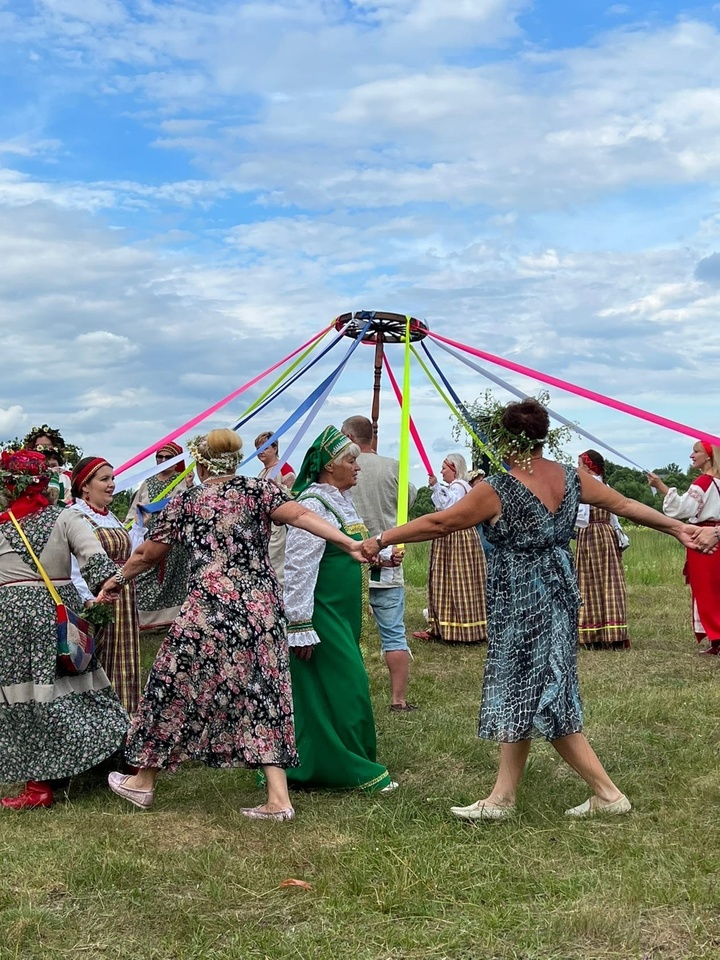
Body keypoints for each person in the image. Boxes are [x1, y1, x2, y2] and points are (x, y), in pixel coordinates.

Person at [361, 399, 699, 820]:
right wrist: (678, 527)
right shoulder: (570, 477)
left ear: (505, 438)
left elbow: (440, 523)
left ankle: (607, 793)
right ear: (541, 436)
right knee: (522, 688)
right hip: (557, 588)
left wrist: (382, 538)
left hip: (522, 595)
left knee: (540, 691)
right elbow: (626, 506)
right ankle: (502, 797)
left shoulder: (498, 488)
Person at [98, 429, 366, 821]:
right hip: (259, 608)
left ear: (201, 463)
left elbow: (147, 553)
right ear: (236, 459)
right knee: (265, 692)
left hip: (209, 608)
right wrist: (347, 542)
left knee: (173, 684)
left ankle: (143, 782)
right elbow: (303, 515)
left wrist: (118, 580)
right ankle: (279, 799)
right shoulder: (260, 491)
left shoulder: (187, 501)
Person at [0, 449, 128, 810]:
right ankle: (124, 754)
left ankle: (38, 785)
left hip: (11, 618)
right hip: (60, 613)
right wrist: (107, 587)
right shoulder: (66, 517)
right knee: (80, 686)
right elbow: (94, 557)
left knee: (25, 696)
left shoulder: (2, 523)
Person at [283, 425, 395, 792]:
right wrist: (299, 624)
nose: (357, 467)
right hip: (321, 613)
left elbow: (349, 552)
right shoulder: (313, 505)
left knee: (334, 687)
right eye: (351, 460)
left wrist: (382, 559)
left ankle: (323, 764)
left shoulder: (338, 501)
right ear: (330, 466)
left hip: (342, 614)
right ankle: (349, 768)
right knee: (346, 685)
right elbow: (299, 567)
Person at [341, 415, 417, 711]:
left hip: (351, 559)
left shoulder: (340, 470)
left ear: (348, 436)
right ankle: (398, 700)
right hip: (388, 557)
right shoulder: (393, 467)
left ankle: (349, 698)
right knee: (393, 632)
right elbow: (408, 500)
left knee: (346, 633)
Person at [70, 457, 142, 714]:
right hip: (99, 598)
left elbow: (130, 553)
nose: (112, 484)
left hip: (124, 597)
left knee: (124, 660)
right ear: (85, 486)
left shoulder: (109, 516)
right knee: (98, 659)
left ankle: (125, 718)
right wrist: (90, 600)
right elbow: (73, 568)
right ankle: (101, 719)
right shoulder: (75, 517)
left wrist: (141, 527)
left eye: (112, 478)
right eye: (105, 479)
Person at [648, 441, 720, 653]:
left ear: (708, 456)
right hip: (716, 534)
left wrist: (660, 486)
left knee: (707, 589)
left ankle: (716, 636)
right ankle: (715, 640)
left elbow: (681, 509)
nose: (691, 456)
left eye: (696, 451)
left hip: (703, 537)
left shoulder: (704, 482)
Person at [413, 453, 487, 644]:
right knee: (446, 581)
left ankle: (462, 630)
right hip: (452, 537)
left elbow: (449, 507)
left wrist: (436, 486)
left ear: (454, 469)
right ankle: (443, 626)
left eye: (444, 468)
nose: (441, 471)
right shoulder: (456, 487)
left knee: (457, 581)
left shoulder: (460, 487)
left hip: (457, 537)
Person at [127, 441, 193, 631]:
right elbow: (135, 509)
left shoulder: (182, 480)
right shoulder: (147, 482)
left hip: (174, 540)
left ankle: (168, 621)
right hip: (148, 536)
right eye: (160, 457)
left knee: (171, 579)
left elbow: (188, 507)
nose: (163, 460)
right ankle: (144, 620)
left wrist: (189, 486)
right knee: (143, 573)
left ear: (176, 461)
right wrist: (130, 527)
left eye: (168, 458)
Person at [575, 450, 629, 650]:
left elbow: (580, 518)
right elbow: (615, 518)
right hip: (606, 535)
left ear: (588, 467)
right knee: (609, 582)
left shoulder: (587, 487)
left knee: (589, 582)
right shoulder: (606, 486)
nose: (577, 468)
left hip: (591, 534)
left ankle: (594, 635)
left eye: (579, 464)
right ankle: (613, 633)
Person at [254, 431, 296, 588]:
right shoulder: (262, 472)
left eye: (264, 447)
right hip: (265, 525)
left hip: (278, 525)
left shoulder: (284, 468)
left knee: (276, 563)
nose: (261, 452)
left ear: (275, 448)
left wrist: (279, 489)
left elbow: (293, 495)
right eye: (258, 448)